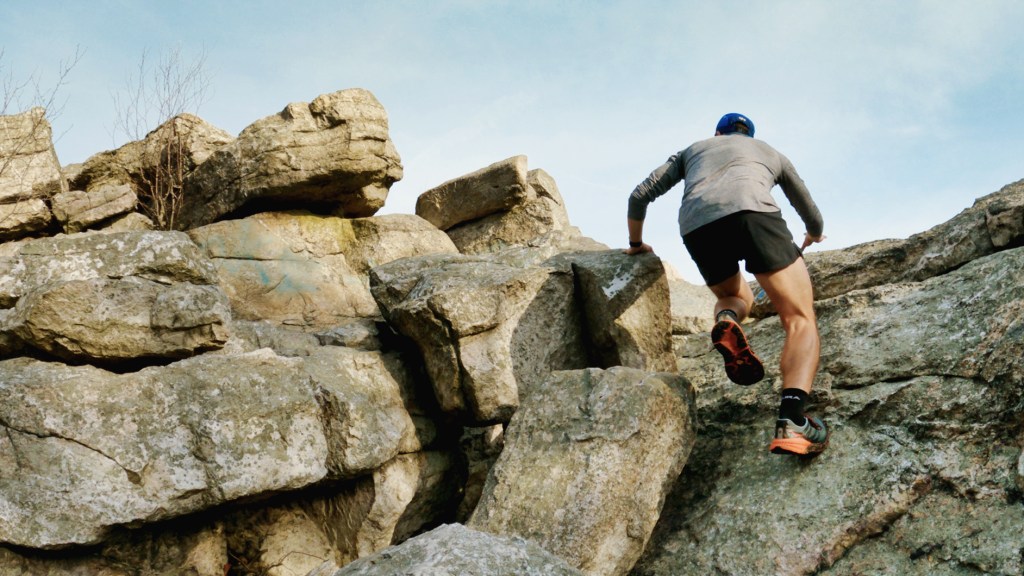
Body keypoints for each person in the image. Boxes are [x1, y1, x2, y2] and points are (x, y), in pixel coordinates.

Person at [624, 113, 828, 456]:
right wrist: (815, 233)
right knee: (799, 318)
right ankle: (793, 421)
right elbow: (808, 208)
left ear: (718, 133)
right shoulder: (769, 152)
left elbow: (639, 195)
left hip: (698, 226)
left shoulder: (694, 150)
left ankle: (727, 321)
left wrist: (635, 244)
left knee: (735, 295)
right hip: (755, 215)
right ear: (749, 136)